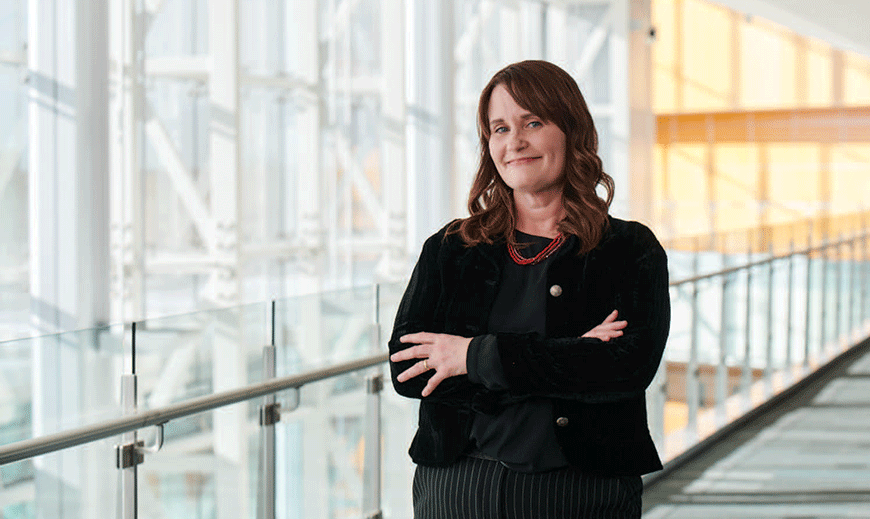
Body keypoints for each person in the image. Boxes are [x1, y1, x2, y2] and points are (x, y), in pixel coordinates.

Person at [388, 60, 670, 519]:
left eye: (532, 123)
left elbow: (626, 368)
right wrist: (567, 355)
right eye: (499, 129)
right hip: (458, 489)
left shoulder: (628, 249)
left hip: (580, 493)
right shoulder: (451, 249)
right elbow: (410, 371)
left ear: (570, 130)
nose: (514, 142)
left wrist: (474, 358)